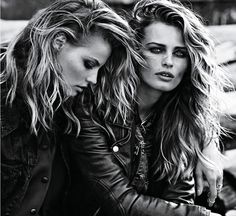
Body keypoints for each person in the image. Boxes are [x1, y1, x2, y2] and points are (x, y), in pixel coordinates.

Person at [65, 0, 227, 215]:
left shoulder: (183, 117)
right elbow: (119, 201)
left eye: (180, 53)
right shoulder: (94, 105)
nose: (168, 61)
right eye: (156, 49)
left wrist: (207, 140)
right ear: (134, 52)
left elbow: (178, 197)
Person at [0, 0, 142, 216]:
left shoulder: (73, 103)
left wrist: (206, 143)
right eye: (88, 64)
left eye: (99, 69)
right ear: (59, 41)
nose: (93, 79)